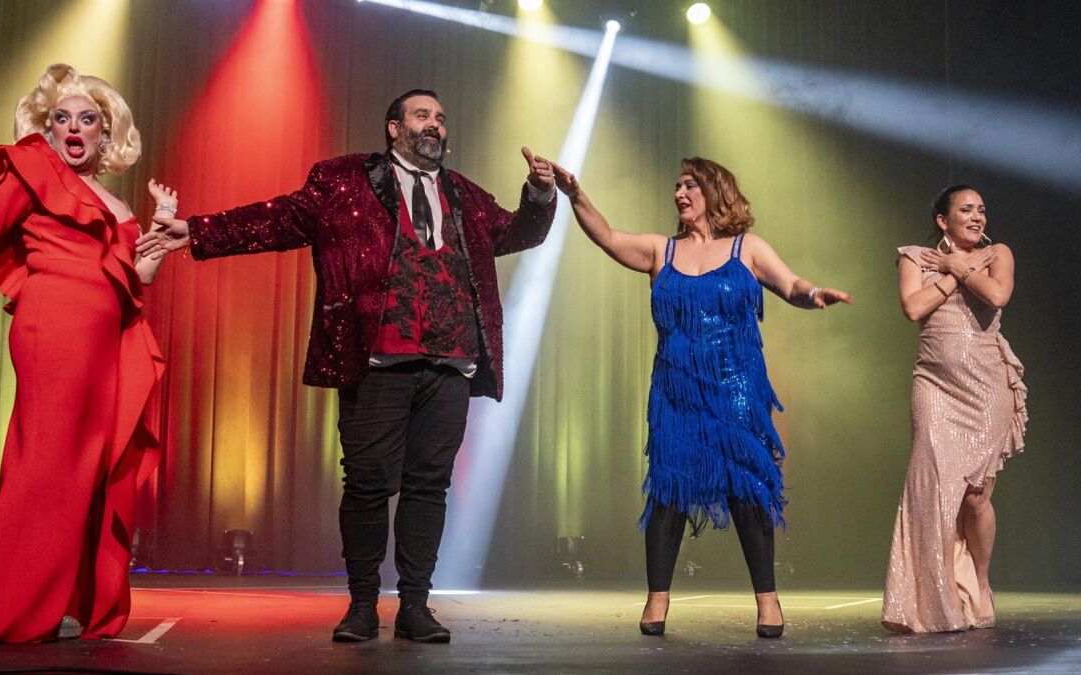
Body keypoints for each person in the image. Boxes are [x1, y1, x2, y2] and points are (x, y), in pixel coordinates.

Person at [149, 89, 557, 643]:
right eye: (422, 115)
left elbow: (516, 233)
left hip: (451, 359)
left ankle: (415, 606)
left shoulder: (463, 193)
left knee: (429, 486)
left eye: (440, 118)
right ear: (393, 127)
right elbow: (281, 219)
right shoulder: (344, 180)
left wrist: (539, 194)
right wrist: (198, 231)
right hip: (377, 357)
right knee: (366, 483)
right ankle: (362, 604)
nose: (434, 125)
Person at [0, 63, 177, 642]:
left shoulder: (115, 205)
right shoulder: (34, 170)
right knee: (48, 465)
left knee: (89, 468)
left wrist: (161, 230)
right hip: (52, 328)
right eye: (62, 118)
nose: (74, 128)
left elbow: (137, 280)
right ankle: (0, 604)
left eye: (87, 119)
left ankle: (54, 601)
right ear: (49, 127)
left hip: (104, 344)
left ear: (105, 134)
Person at [550, 156, 851, 638]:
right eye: (677, 186)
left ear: (716, 192)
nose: (679, 193)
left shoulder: (747, 247)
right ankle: (657, 600)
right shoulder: (661, 250)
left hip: (736, 390)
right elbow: (606, 236)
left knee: (747, 490)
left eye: (690, 185)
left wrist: (812, 294)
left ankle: (768, 601)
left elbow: (790, 284)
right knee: (668, 491)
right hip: (676, 393)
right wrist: (575, 193)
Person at [882, 185, 1027, 633]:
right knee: (937, 493)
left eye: (982, 209)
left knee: (975, 496)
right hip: (935, 386)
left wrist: (959, 267)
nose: (978, 216)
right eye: (966, 210)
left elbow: (997, 296)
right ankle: (940, 598)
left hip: (987, 386)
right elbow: (913, 307)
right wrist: (949, 271)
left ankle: (979, 582)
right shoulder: (916, 258)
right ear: (943, 220)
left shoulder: (998, 253)